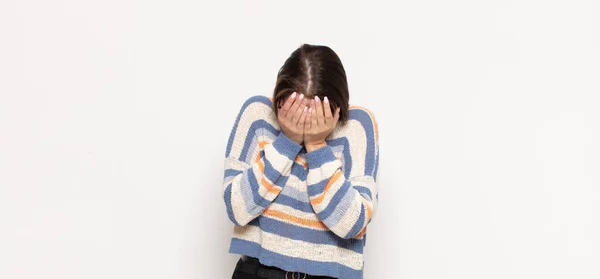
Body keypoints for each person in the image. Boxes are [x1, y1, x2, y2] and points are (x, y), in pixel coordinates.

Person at [222, 44, 379, 279]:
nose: (303, 121)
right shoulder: (258, 114)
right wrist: (288, 140)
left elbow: (352, 223)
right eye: (295, 109)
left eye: (316, 113)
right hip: (257, 271)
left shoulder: (357, 127)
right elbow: (237, 209)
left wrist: (316, 145)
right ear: (280, 98)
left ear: (336, 107)